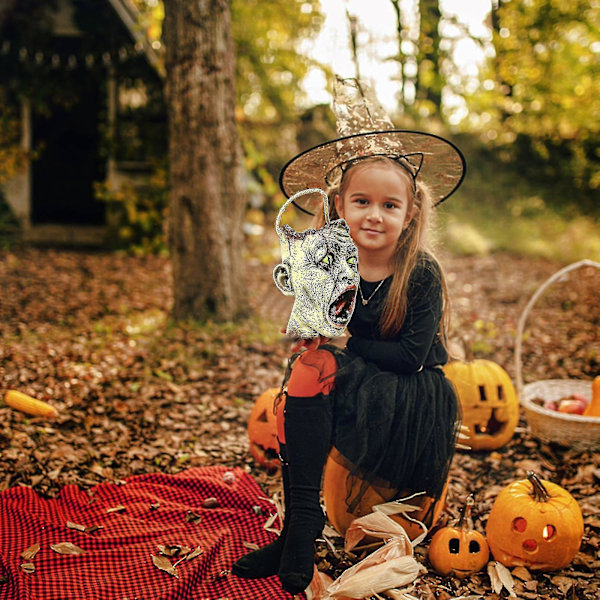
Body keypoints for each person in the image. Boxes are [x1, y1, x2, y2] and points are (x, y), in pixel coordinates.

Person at [233, 78, 465, 595]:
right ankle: (300, 527)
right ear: (339, 206)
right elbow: (320, 332)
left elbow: (408, 357)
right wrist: (316, 343)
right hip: (357, 373)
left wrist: (339, 346)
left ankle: (301, 529)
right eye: (362, 201)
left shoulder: (420, 272)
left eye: (389, 205)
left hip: (409, 392)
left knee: (318, 369)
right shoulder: (332, 262)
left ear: (410, 215)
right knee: (304, 371)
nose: (374, 215)